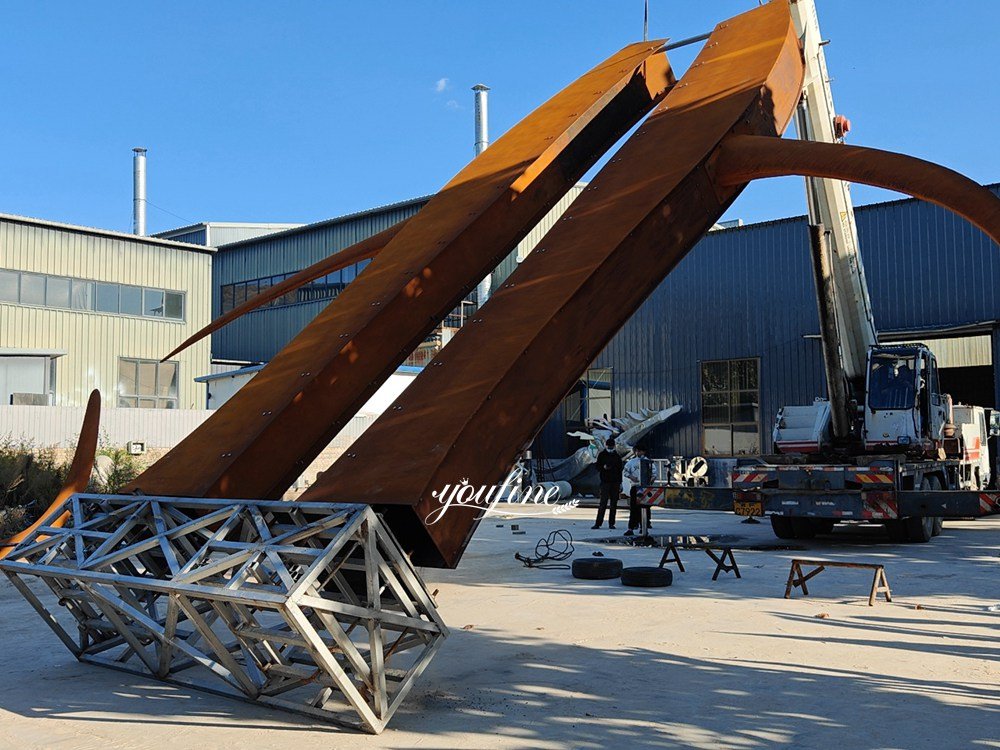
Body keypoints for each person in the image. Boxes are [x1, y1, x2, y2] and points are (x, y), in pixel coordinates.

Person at [592, 438, 623, 529]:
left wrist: (620, 483)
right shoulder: (602, 455)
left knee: (614, 504)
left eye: (611, 446)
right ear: (606, 446)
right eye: (609, 446)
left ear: (614, 446)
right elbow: (597, 467)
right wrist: (603, 467)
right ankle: (598, 523)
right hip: (605, 482)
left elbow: (619, 470)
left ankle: (611, 523)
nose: (610, 448)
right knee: (603, 503)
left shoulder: (617, 456)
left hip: (615, 482)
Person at [624, 447, 652, 536]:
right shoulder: (631, 462)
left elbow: (654, 473)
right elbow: (625, 471)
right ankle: (631, 527)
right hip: (635, 487)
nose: (638, 452)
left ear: (644, 451)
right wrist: (631, 477)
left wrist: (649, 482)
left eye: (640, 450)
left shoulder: (648, 462)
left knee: (645, 508)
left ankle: (643, 527)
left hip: (645, 487)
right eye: (637, 451)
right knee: (633, 508)